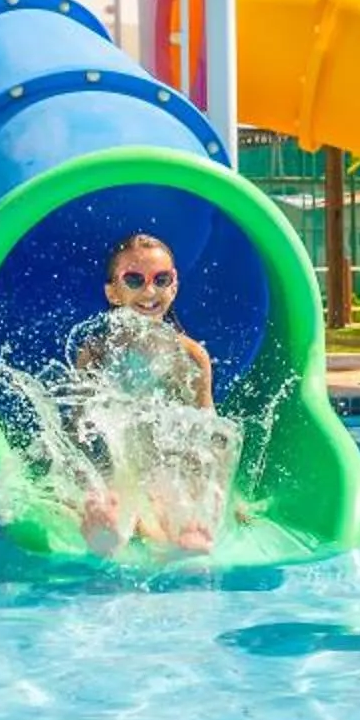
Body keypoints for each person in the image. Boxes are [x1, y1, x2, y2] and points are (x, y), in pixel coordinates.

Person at [69, 234, 230, 555]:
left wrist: (215, 488)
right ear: (112, 292)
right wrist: (87, 478)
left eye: (161, 279)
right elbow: (79, 428)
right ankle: (108, 530)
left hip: (164, 463)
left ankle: (175, 539)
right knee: (111, 496)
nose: (149, 291)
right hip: (116, 462)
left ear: (174, 286)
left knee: (166, 498)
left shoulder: (191, 356)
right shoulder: (96, 352)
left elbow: (207, 430)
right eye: (134, 280)